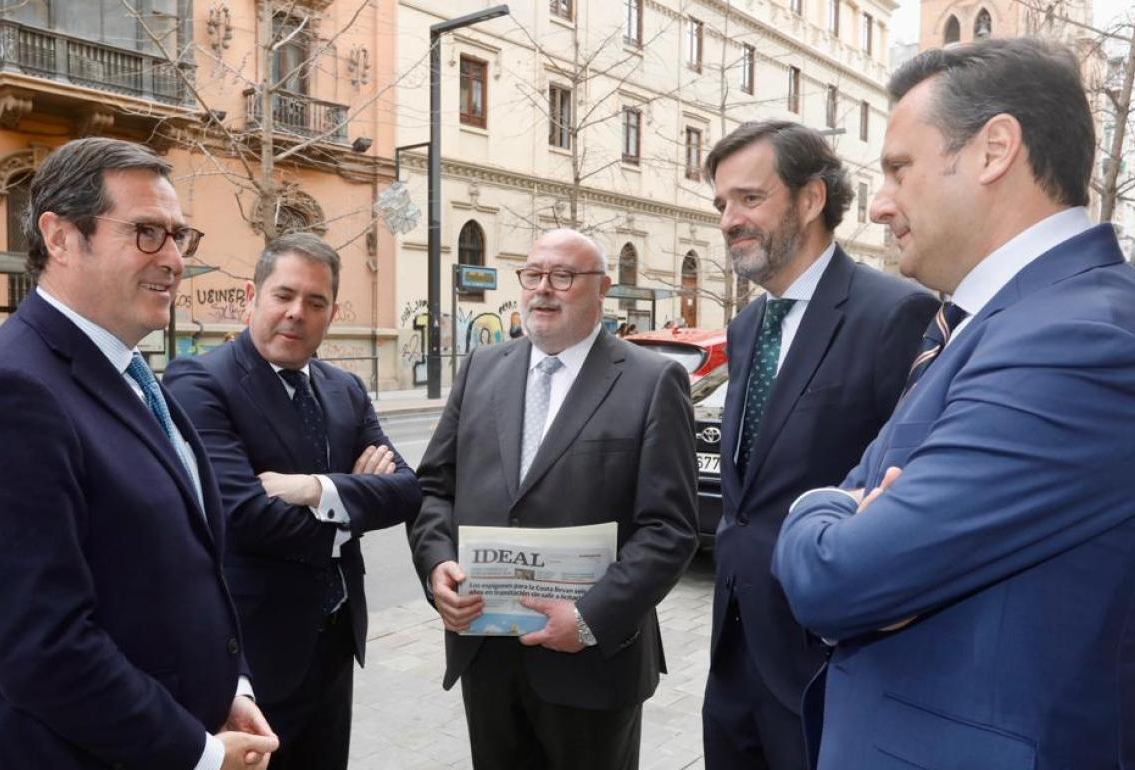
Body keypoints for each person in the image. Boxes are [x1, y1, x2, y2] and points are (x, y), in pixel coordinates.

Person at [772, 37, 1135, 770]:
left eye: (898, 169)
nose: (878, 205)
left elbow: (842, 578)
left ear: (993, 150)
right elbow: (862, 511)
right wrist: (846, 509)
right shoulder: (1004, 321)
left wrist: (811, 510)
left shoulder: (1079, 339)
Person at [0, 138, 278, 770]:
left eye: (178, 235)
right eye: (146, 232)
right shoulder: (8, 393)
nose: (172, 259)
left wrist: (232, 690)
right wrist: (197, 753)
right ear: (59, 237)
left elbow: (182, 572)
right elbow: (42, 647)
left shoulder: (129, 373)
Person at [410, 228, 698, 770]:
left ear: (602, 289)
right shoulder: (480, 368)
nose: (543, 289)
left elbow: (670, 529)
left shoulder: (652, 380)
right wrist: (435, 566)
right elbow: (432, 489)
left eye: (563, 276)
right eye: (533, 275)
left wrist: (589, 618)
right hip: (487, 654)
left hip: (590, 662)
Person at [700, 121, 936, 769]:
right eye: (721, 204)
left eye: (749, 198)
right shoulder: (749, 325)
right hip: (732, 659)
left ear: (810, 199)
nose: (728, 220)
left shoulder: (896, 313)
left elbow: (907, 493)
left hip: (827, 668)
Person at [165, 233, 421, 770]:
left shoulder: (344, 387)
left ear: (331, 313)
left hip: (333, 642)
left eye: (316, 301)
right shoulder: (199, 382)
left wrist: (316, 489)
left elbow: (405, 491)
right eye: (283, 295)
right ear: (250, 297)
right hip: (250, 657)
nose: (296, 313)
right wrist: (355, 500)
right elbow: (244, 517)